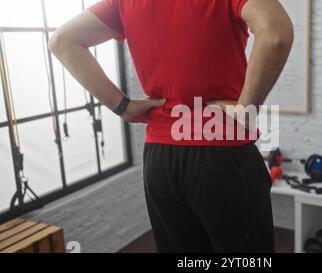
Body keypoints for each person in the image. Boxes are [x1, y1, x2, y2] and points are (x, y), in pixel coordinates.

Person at [49, 0, 293, 253]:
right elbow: (275, 33)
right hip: (222, 154)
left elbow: (62, 41)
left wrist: (123, 107)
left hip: (160, 161)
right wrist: (245, 109)